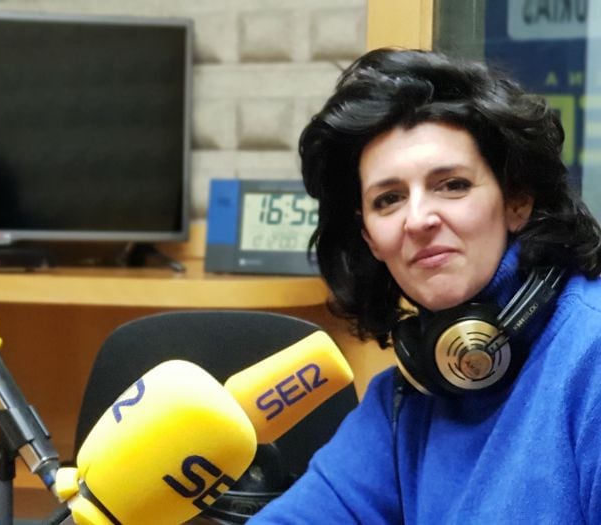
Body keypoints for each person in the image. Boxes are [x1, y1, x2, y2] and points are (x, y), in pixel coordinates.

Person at [250, 48, 601, 523]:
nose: (417, 219)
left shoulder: (590, 354)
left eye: (452, 184)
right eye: (389, 199)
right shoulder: (403, 403)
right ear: (369, 236)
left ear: (517, 201)